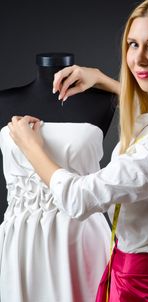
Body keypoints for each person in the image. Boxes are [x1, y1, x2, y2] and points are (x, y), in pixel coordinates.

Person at [7, 0, 148, 302]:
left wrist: (32, 148)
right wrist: (100, 78)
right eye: (133, 44)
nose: (138, 60)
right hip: (135, 269)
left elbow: (79, 198)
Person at [0, 53, 117, 302]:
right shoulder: (4, 101)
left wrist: (99, 77)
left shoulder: (105, 100)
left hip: (81, 234)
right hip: (21, 240)